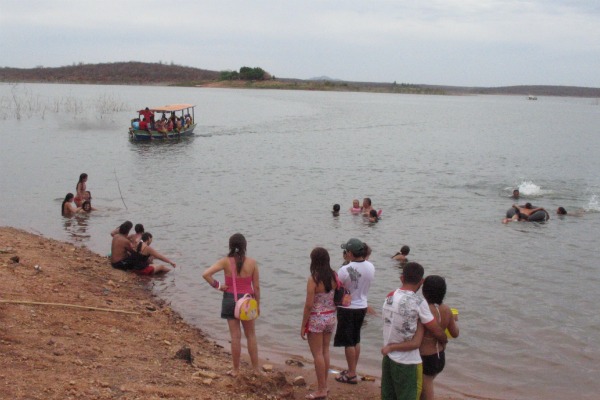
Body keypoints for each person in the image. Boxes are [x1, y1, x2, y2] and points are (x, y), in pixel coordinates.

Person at [381, 262, 449, 400]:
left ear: (402, 278)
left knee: (389, 395)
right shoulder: (419, 302)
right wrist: (444, 340)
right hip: (408, 362)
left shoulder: (389, 296)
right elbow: (435, 329)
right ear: (421, 281)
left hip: (388, 358)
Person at [202, 233, 261, 377]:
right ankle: (256, 370)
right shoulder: (252, 263)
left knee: (235, 337)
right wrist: (257, 305)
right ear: (244, 246)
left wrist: (218, 285)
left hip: (230, 300)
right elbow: (257, 287)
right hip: (247, 302)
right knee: (251, 336)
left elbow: (206, 274)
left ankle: (235, 370)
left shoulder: (225, 262)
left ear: (230, 246)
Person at [334, 238, 375, 384]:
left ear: (350, 253)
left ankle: (351, 374)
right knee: (356, 339)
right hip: (362, 305)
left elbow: (337, 286)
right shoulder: (370, 266)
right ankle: (353, 369)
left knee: (348, 342)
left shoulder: (344, 270)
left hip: (347, 308)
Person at [300, 247, 337, 400]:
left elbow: (309, 305)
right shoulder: (334, 276)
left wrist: (303, 325)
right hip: (331, 317)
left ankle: (321, 389)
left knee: (317, 354)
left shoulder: (313, 279)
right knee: (325, 351)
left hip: (316, 318)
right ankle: (325, 385)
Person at [419, 275, 459, 400]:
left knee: (427, 386)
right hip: (440, 356)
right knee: (424, 387)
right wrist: (453, 320)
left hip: (425, 356)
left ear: (424, 291)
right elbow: (455, 333)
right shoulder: (447, 309)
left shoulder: (423, 309)